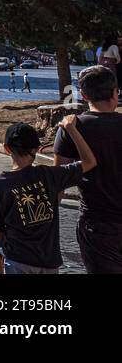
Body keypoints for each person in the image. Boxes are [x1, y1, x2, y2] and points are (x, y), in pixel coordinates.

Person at [0, 118, 94, 274]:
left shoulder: (0, 184)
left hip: (17, 260)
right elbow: (89, 161)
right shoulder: (50, 175)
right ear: (37, 149)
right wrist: (71, 130)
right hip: (49, 261)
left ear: (6, 149)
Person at [54, 65, 122, 273]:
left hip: (97, 225)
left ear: (83, 95)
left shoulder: (72, 128)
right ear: (116, 92)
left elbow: (59, 184)